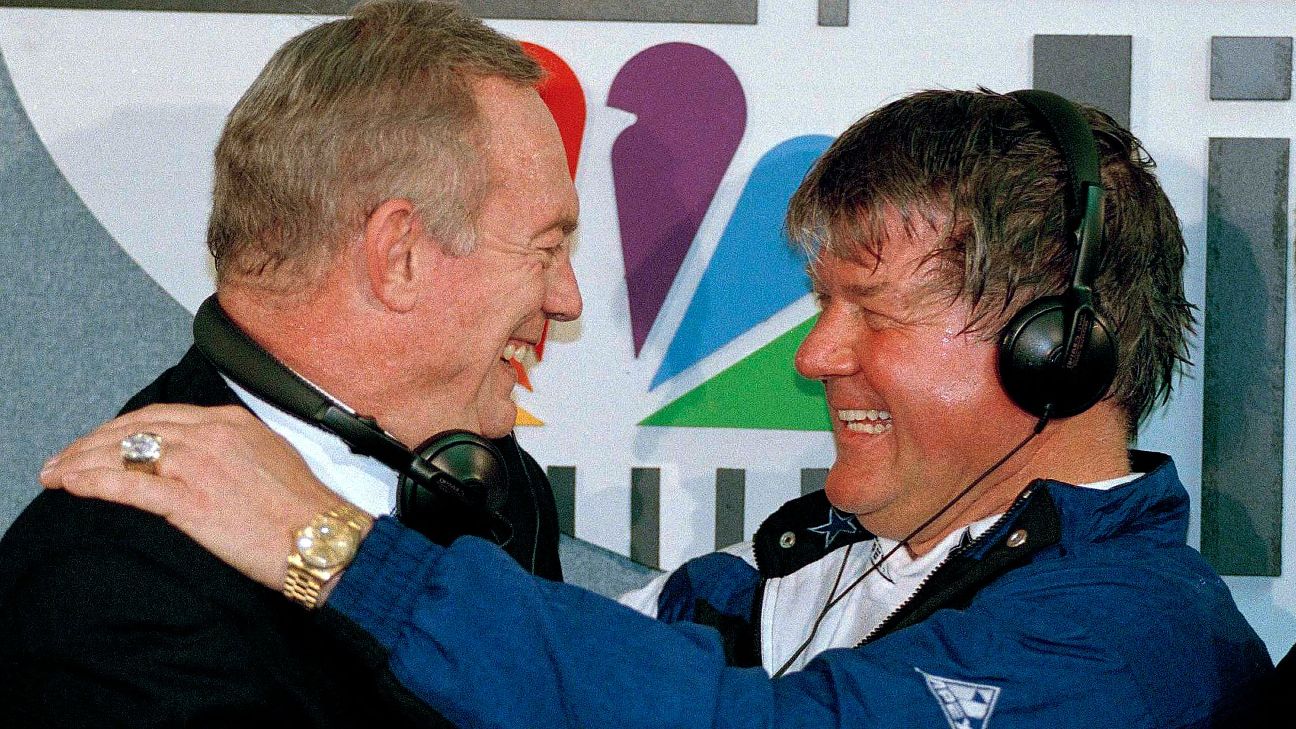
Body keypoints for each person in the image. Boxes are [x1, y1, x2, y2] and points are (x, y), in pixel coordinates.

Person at [40, 88, 1273, 727]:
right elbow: (604, 675)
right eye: (816, 305)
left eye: (874, 311)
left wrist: (331, 549)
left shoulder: (1133, 645)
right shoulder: (809, 565)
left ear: (1059, 348)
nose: (817, 357)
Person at [0, 1, 580, 726]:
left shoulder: (494, 488)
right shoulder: (108, 586)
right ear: (397, 254)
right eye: (545, 248)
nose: (568, 298)